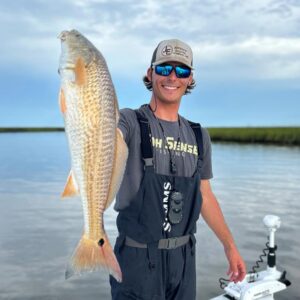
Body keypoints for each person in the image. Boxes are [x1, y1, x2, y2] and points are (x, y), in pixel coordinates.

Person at [110, 39, 246, 300]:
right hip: (137, 259)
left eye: (181, 71)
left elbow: (205, 195)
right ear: (150, 74)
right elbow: (106, 137)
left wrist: (230, 247)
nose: (172, 77)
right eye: (164, 69)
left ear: (189, 79)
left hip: (184, 260)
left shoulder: (198, 135)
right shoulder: (129, 121)